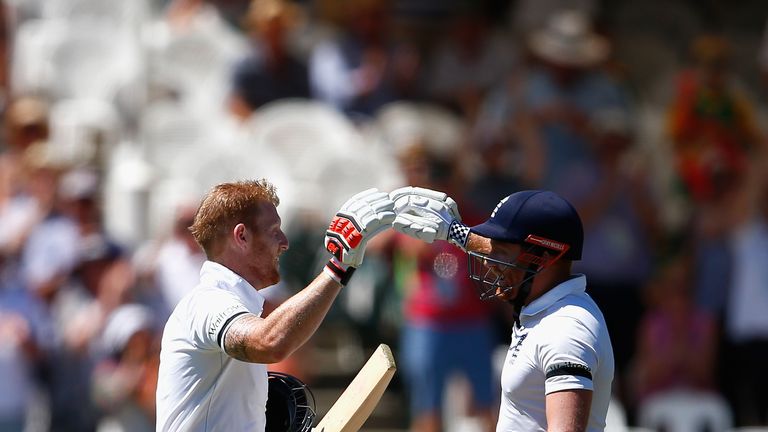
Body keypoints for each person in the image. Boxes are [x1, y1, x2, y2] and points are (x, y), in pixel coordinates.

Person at [155, 179, 395, 431]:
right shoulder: (208, 302)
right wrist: (338, 267)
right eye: (274, 230)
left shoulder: (232, 302)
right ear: (242, 236)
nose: (285, 242)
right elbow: (268, 342)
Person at [390, 187, 614, 431]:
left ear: (544, 258)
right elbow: (500, 249)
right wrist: (454, 232)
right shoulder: (545, 306)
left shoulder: (566, 329)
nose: (487, 261)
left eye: (501, 252)